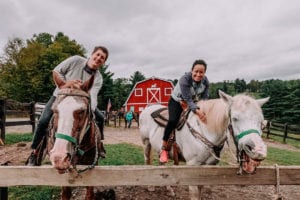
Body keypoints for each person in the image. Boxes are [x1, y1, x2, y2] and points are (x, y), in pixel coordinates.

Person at [26, 46, 109, 166]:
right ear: (92, 54)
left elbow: (94, 96)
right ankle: (34, 152)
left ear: (103, 62)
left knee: (100, 118)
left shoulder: (98, 78)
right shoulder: (75, 60)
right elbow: (56, 71)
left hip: (81, 101)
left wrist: (88, 106)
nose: (99, 58)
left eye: (102, 58)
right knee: (44, 120)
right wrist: (66, 84)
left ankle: (99, 145)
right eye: (98, 54)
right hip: (61, 97)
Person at [159, 59, 210, 163]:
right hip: (177, 101)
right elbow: (187, 99)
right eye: (196, 71)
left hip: (193, 101)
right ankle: (164, 148)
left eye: (201, 72)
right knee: (173, 120)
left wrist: (203, 109)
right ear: (192, 70)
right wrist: (196, 110)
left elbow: (204, 98)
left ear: (204, 73)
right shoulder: (184, 79)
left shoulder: (206, 82)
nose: (198, 74)